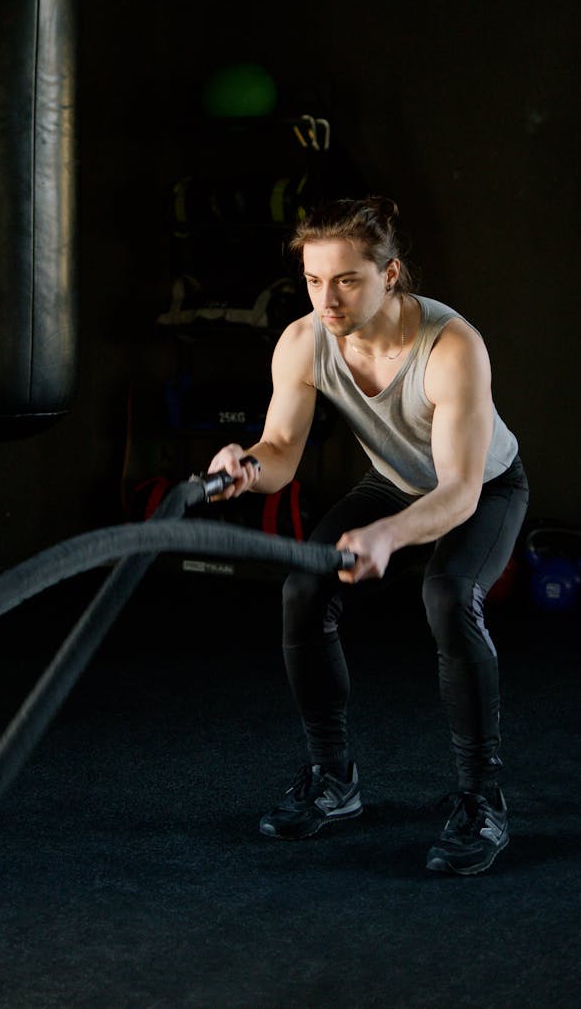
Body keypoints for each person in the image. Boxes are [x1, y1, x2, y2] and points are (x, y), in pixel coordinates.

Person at [206, 195, 529, 875]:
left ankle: (481, 800)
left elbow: (458, 492)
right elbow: (281, 449)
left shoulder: (449, 346)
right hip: (392, 481)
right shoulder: (302, 341)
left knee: (447, 596)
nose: (327, 298)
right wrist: (245, 466)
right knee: (302, 588)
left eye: (346, 279)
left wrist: (387, 534)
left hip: (481, 486)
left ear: (389, 274)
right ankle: (333, 780)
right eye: (314, 280)